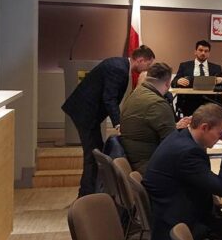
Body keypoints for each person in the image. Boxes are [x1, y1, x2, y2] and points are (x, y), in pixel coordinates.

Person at [143, 104, 222, 240]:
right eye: (220, 134)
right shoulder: (187, 152)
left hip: (171, 209)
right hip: (180, 224)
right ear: (204, 127)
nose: (221, 139)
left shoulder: (181, 136)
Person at [62, 45, 155, 197]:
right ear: (140, 60)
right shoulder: (119, 69)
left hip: (87, 113)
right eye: (148, 64)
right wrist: (118, 124)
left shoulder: (120, 65)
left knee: (96, 152)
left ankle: (90, 193)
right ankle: (85, 196)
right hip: (85, 113)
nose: (148, 69)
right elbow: (109, 98)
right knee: (92, 155)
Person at [119, 62, 192, 174]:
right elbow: (171, 146)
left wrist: (175, 126)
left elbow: (148, 127)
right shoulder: (158, 103)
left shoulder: (135, 93)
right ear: (167, 83)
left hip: (133, 159)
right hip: (149, 166)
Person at [172, 40, 222, 117]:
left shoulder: (216, 68)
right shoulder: (185, 66)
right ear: (195, 52)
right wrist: (178, 81)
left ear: (209, 53)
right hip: (189, 104)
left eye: (206, 51)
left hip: (211, 104)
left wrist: (221, 80)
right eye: (200, 50)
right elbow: (173, 82)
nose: (203, 53)